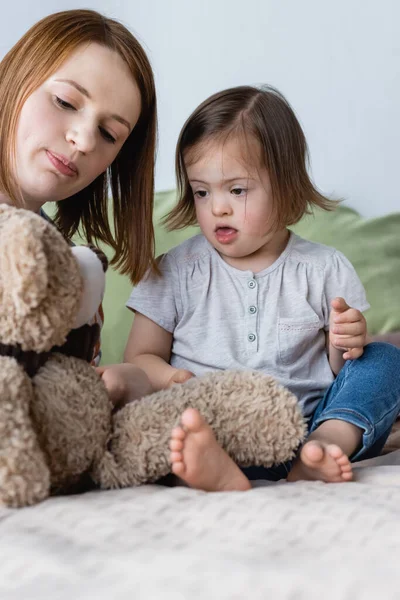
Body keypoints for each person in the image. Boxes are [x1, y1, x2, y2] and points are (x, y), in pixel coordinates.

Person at [123, 85, 400, 490]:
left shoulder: (324, 267)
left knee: (384, 360)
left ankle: (323, 448)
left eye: (237, 190)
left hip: (303, 427)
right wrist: (171, 380)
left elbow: (341, 369)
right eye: (202, 191)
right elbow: (139, 357)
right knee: (170, 427)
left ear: (285, 185)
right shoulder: (175, 271)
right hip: (213, 423)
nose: (218, 207)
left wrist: (347, 342)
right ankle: (216, 468)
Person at [0, 8, 155, 400]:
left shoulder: (78, 273)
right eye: (66, 102)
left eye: (108, 133)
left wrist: (128, 386)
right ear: (16, 77)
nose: (85, 141)